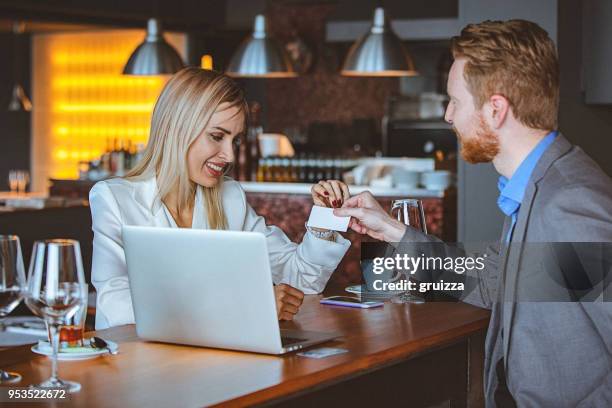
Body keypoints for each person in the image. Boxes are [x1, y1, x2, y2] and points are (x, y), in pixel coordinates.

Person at [335, 20, 612, 408]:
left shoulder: (570, 203)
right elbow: (498, 278)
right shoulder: (538, 187)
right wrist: (394, 232)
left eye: (455, 101)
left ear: (495, 109)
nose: (448, 116)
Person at [90, 67, 351, 329]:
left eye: (235, 140)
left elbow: (301, 281)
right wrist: (246, 306)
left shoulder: (230, 198)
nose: (229, 155)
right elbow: (116, 308)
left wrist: (326, 220)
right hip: (136, 362)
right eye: (217, 136)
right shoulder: (113, 199)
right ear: (176, 129)